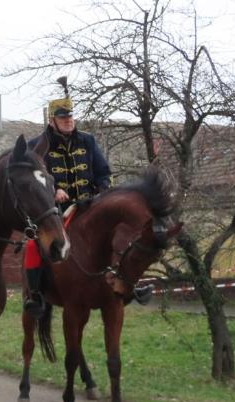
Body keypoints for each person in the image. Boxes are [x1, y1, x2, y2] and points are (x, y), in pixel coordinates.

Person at [23, 77, 153, 314]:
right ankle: (36, 295)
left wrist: (101, 193)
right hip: (56, 209)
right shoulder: (37, 146)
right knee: (34, 245)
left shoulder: (88, 141)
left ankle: (132, 286)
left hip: (91, 203)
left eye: (71, 117)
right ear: (52, 121)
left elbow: (103, 173)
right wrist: (54, 191)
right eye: (63, 118)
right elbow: (33, 181)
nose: (69, 121)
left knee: (123, 235)